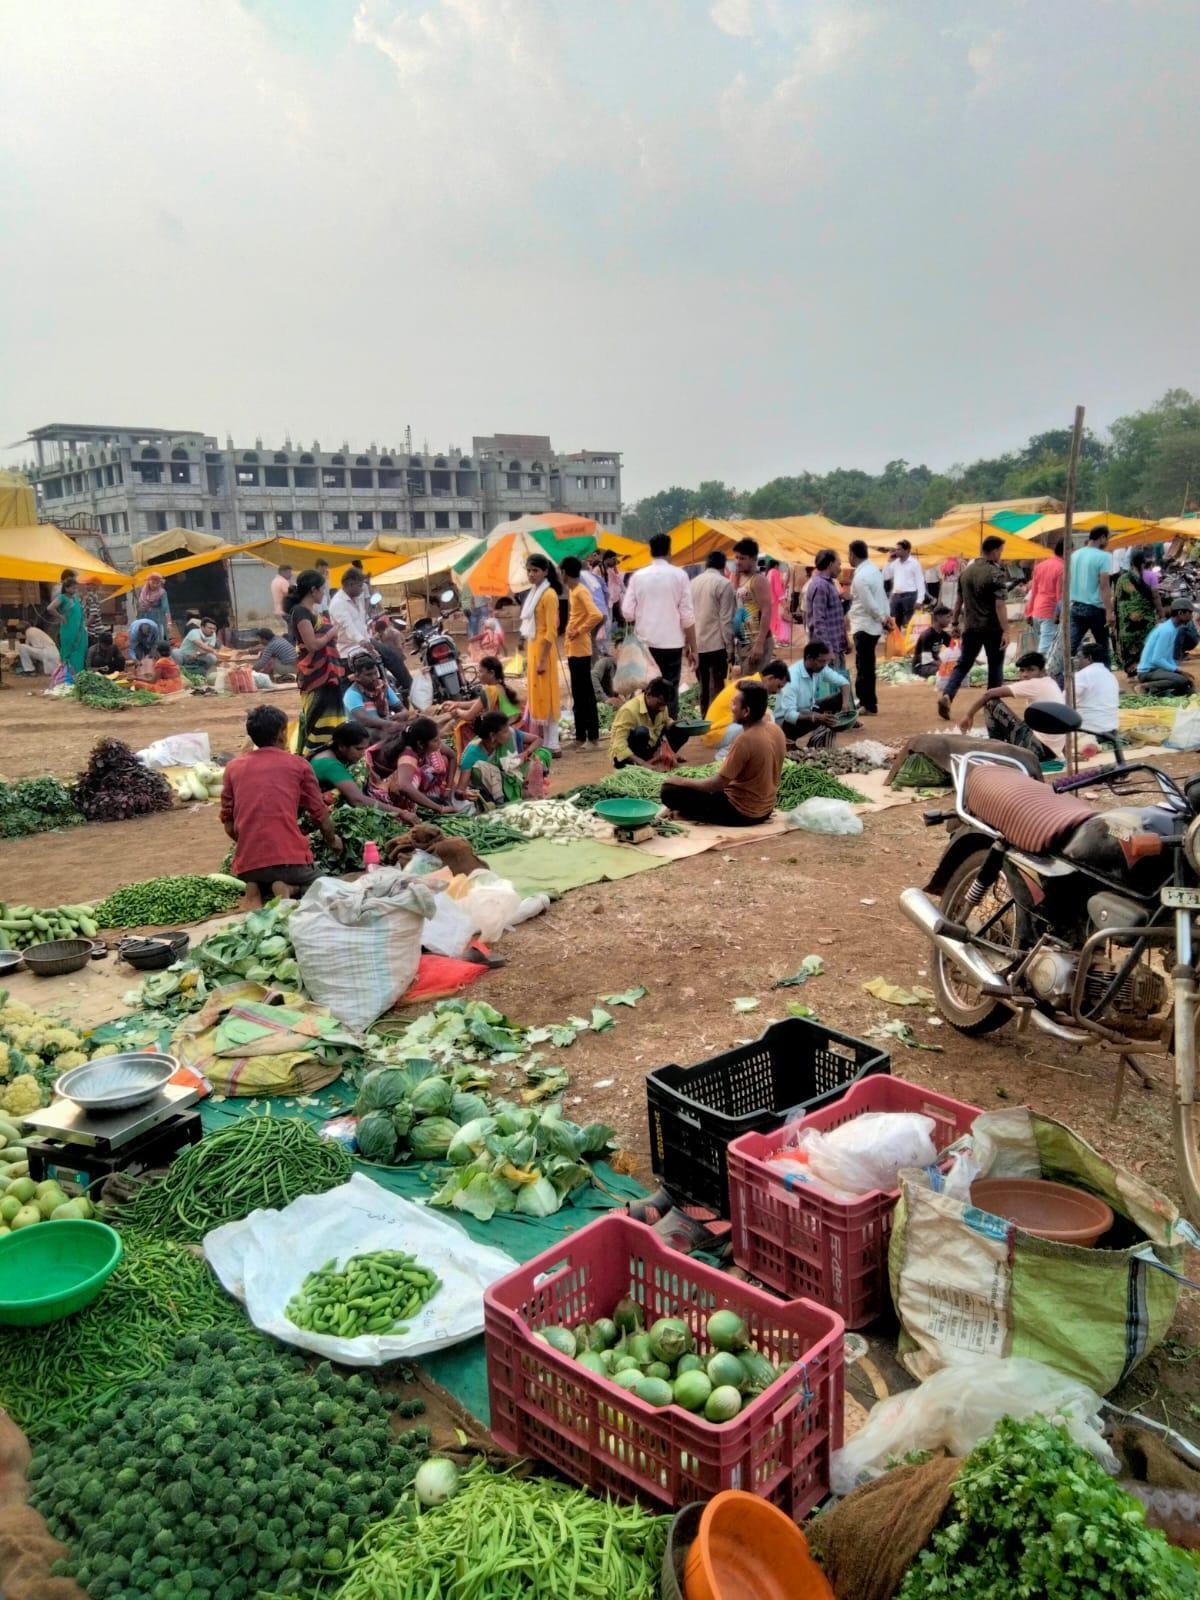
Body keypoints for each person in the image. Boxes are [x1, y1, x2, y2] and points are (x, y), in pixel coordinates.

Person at [220, 704, 343, 905]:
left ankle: (255, 887)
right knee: (323, 885)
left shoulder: (233, 768)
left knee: (262, 873)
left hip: (247, 864)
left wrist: (250, 843)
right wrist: (333, 840)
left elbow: (228, 823)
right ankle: (290, 887)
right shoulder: (299, 765)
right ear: (281, 734)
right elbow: (319, 814)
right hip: (289, 861)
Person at [660, 681, 785, 827]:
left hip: (741, 813)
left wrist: (680, 781)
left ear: (746, 711)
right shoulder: (777, 730)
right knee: (697, 790)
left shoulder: (744, 740)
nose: (731, 709)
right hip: (766, 810)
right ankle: (693, 813)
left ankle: (691, 814)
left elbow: (716, 785)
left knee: (668, 790)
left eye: (734, 705)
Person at [621, 532, 697, 709]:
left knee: (649, 688)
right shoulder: (680, 576)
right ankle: (668, 732)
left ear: (651, 551)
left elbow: (627, 612)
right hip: (672, 644)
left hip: (646, 644)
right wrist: (694, 648)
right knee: (670, 689)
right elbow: (687, 616)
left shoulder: (638, 577)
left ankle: (647, 731)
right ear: (670, 551)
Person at [938, 535, 1009, 718]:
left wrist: (954, 623)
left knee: (963, 665)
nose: (1001, 555)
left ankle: (947, 694)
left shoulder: (966, 573)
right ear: (994, 552)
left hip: (970, 627)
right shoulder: (996, 573)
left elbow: (958, 602)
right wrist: (1007, 631)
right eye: (1000, 551)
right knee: (995, 666)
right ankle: (993, 708)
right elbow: (999, 605)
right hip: (992, 628)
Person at [956, 650, 1067, 757]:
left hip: (1038, 749)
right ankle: (999, 746)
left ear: (1042, 671)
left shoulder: (1034, 684)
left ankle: (996, 749)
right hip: (1051, 751)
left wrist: (969, 715)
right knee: (1025, 721)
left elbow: (988, 694)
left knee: (991, 702)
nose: (1025, 675)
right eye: (1022, 670)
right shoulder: (1051, 682)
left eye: (1030, 670)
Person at [287, 568, 346, 758]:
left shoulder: (313, 612)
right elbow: (312, 645)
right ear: (313, 590)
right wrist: (331, 633)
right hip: (316, 675)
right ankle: (313, 757)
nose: (323, 593)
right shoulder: (300, 612)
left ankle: (329, 754)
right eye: (322, 589)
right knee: (317, 718)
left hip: (328, 674)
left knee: (331, 718)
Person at [311, 721, 409, 814]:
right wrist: (400, 813)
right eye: (358, 749)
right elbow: (357, 800)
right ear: (341, 746)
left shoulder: (338, 753)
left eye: (365, 748)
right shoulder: (330, 765)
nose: (363, 753)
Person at [378, 716, 465, 815]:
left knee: (440, 760)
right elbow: (404, 787)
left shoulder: (424, 745)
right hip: (386, 795)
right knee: (418, 774)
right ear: (420, 744)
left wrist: (448, 788)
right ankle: (406, 811)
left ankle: (424, 798)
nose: (439, 743)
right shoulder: (408, 756)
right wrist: (440, 808)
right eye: (436, 740)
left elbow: (452, 756)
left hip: (420, 787)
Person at [521, 552, 563, 752]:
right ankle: (546, 741)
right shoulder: (534, 592)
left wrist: (543, 660)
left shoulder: (549, 594)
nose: (531, 574)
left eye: (535, 570)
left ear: (545, 571)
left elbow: (551, 630)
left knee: (548, 694)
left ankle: (553, 742)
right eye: (528, 571)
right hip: (534, 646)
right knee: (538, 695)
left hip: (544, 649)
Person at [560, 555, 603, 747]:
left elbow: (596, 614)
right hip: (574, 649)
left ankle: (592, 737)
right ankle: (580, 736)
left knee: (585, 695)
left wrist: (579, 630)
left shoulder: (580, 591)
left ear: (564, 573)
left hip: (581, 650)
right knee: (578, 694)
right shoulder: (573, 590)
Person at [775, 643, 851, 745]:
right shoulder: (792, 678)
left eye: (826, 661)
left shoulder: (820, 668)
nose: (825, 664)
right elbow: (789, 715)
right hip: (786, 723)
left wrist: (845, 704)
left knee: (839, 699)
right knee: (820, 719)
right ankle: (793, 740)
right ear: (809, 659)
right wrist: (817, 717)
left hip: (809, 710)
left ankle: (820, 736)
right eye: (821, 661)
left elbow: (844, 683)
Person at [690, 550, 736, 715]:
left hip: (697, 644)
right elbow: (726, 620)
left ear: (706, 565)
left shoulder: (693, 583)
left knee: (703, 686)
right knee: (717, 688)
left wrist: (688, 647)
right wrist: (730, 648)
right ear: (723, 566)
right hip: (717, 644)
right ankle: (715, 722)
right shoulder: (724, 584)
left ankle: (704, 720)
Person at [847, 539, 890, 714]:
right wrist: (886, 617)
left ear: (852, 555)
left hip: (864, 624)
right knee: (866, 664)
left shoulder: (860, 576)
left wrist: (882, 618)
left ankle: (868, 703)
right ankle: (866, 700)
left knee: (864, 666)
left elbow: (869, 603)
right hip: (872, 624)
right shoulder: (874, 571)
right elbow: (882, 597)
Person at [610, 676, 690, 769]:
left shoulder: (661, 706)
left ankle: (661, 757)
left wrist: (678, 723)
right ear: (648, 695)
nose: (662, 709)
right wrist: (643, 763)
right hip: (627, 756)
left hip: (649, 747)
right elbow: (619, 745)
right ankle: (641, 764)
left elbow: (667, 722)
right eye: (659, 704)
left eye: (665, 705)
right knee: (641, 732)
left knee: (682, 729)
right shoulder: (629, 710)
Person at [1112, 547, 1162, 674]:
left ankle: (1131, 667)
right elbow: (1155, 596)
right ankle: (1145, 667)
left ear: (1130, 562)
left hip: (1128, 624)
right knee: (1147, 642)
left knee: (1130, 643)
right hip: (1146, 622)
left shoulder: (1122, 579)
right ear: (1144, 562)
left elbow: (1117, 600)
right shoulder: (1151, 576)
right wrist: (1161, 613)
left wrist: (1116, 616)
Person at [1069, 525, 1114, 664]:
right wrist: (1109, 612)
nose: (1107, 542)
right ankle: (1106, 680)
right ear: (1102, 538)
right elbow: (1104, 586)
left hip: (1075, 607)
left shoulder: (1074, 555)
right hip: (1095, 609)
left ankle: (1059, 678)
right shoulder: (1104, 556)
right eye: (1108, 538)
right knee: (1102, 648)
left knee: (1070, 647)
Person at [1137, 602, 1196, 695]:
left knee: (1187, 684)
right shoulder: (1167, 630)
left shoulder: (1173, 628)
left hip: (1157, 669)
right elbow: (1157, 659)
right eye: (1190, 613)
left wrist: (1178, 670)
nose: (1192, 617)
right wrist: (1179, 671)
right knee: (1181, 680)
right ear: (1180, 613)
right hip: (1148, 672)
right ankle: (1146, 687)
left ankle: (1161, 692)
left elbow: (1167, 657)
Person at [732, 537, 773, 670]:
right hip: (744, 641)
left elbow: (766, 612)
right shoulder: (740, 578)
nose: (738, 562)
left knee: (753, 685)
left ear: (754, 559)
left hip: (756, 641)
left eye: (742, 558)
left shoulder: (758, 581)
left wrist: (760, 643)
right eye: (736, 557)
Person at [342, 653, 407, 734]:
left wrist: (402, 714)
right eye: (368, 675)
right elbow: (364, 720)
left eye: (375, 673)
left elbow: (402, 709)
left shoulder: (383, 687)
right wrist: (390, 724)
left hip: (384, 732)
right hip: (364, 737)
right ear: (357, 676)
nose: (374, 678)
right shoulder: (352, 694)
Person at [805, 549, 849, 666]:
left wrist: (845, 641)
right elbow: (818, 622)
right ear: (830, 564)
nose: (840, 568)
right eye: (838, 564)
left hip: (835, 647)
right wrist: (827, 651)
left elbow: (835, 615)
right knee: (831, 683)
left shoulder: (829, 583)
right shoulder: (820, 585)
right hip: (827, 651)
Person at [1024, 539, 1064, 658]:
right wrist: (1059, 614)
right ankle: (1042, 673)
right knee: (1046, 649)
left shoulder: (1041, 566)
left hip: (1036, 609)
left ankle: (1041, 670)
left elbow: (1034, 590)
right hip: (1050, 612)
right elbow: (1060, 595)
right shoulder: (1062, 567)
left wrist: (1028, 612)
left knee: (1045, 644)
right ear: (1067, 550)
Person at [1073, 642, 1120, 737]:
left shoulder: (1082, 675)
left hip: (1089, 731)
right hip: (1111, 731)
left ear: (1089, 658)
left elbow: (1065, 700)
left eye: (1079, 657)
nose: (1076, 660)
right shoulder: (1110, 675)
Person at [329, 567, 373, 659]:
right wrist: (362, 641)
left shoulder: (357, 599)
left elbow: (361, 624)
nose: (362, 590)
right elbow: (348, 625)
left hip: (363, 648)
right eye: (360, 586)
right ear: (350, 584)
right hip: (348, 652)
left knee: (390, 655)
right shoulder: (338, 603)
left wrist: (367, 641)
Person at [48, 576, 87, 677]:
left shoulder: (75, 598)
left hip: (79, 630)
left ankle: (79, 675)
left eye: (76, 588)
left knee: (80, 651)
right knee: (68, 652)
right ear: (66, 588)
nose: (75, 590)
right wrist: (61, 617)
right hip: (68, 630)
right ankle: (68, 676)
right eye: (73, 588)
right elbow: (50, 608)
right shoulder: (62, 598)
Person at [370, 615, 413, 703]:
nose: (380, 634)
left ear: (385, 629)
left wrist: (396, 656)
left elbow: (399, 647)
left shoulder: (395, 633)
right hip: (387, 656)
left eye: (381, 632)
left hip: (396, 655)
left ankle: (410, 687)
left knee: (401, 673)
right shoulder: (379, 635)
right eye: (379, 633)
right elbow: (374, 639)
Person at [887, 539, 926, 629]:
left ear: (907, 550)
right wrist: (889, 561)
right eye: (896, 549)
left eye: (899, 549)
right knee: (894, 623)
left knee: (910, 623)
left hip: (909, 596)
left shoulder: (914, 563)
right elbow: (886, 576)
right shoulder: (895, 563)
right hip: (896, 596)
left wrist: (919, 600)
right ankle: (896, 642)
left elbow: (920, 582)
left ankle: (910, 642)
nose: (896, 551)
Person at [912, 608, 953, 679]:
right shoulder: (927, 635)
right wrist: (945, 665)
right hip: (922, 666)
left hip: (935, 664)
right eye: (948, 617)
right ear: (938, 617)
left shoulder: (944, 635)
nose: (950, 620)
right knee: (946, 671)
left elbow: (955, 648)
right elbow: (927, 660)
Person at [136, 572, 171, 645]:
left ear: (160, 583)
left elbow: (166, 608)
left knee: (158, 639)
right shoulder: (143, 591)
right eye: (153, 583)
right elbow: (139, 605)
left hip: (158, 618)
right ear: (149, 582)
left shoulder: (162, 592)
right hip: (143, 616)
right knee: (143, 639)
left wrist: (169, 622)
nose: (155, 585)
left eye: (157, 583)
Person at [766, 558, 790, 645]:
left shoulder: (768, 573)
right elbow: (778, 589)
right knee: (776, 620)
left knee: (771, 621)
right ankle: (777, 640)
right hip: (775, 601)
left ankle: (773, 640)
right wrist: (784, 602)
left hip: (769, 600)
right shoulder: (775, 572)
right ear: (776, 565)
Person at [602, 549, 626, 628]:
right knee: (609, 620)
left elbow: (619, 582)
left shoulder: (611, 569)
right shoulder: (600, 568)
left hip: (614, 597)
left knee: (615, 618)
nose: (615, 561)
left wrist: (616, 571)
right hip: (606, 599)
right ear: (607, 558)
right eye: (613, 559)